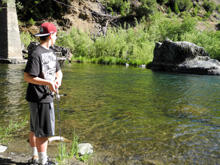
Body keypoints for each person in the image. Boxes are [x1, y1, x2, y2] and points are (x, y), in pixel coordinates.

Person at [24, 22, 63, 165]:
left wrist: (58, 80)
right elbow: (27, 77)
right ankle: (42, 162)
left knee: (35, 128)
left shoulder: (51, 53)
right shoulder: (36, 53)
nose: (56, 38)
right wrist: (48, 83)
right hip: (39, 97)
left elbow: (59, 72)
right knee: (43, 132)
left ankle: (35, 158)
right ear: (51, 35)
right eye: (56, 35)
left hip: (45, 97)